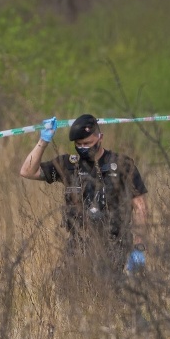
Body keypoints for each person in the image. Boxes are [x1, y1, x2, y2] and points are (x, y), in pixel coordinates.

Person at [18, 114, 148, 282]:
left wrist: (138, 247)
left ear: (100, 138)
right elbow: (27, 171)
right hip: (78, 244)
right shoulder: (68, 165)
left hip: (115, 243)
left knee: (108, 294)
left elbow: (140, 206)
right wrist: (43, 141)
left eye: (87, 143)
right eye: (79, 145)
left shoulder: (122, 164)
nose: (83, 148)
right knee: (66, 290)